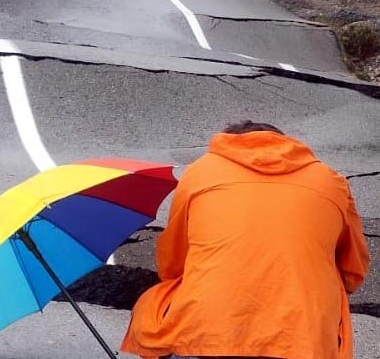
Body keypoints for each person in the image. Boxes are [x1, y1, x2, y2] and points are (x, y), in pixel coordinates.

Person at [121, 121, 370, 359]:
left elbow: (173, 263)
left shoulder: (201, 171)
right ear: (286, 144)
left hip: (208, 328)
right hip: (304, 335)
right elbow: (353, 271)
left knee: (151, 305)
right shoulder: (330, 180)